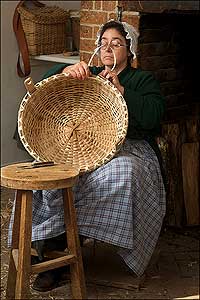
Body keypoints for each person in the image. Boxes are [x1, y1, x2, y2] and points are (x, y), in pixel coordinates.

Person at [9, 19, 166, 292]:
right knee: (54, 177)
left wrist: (122, 90)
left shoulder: (142, 79)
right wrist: (66, 69)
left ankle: (77, 242)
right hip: (82, 146)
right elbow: (44, 88)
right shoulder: (90, 73)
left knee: (123, 171)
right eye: (103, 44)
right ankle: (53, 256)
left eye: (116, 44)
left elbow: (154, 116)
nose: (108, 49)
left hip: (129, 147)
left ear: (130, 50)